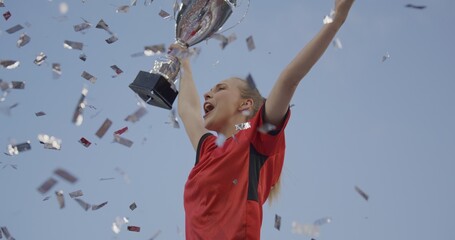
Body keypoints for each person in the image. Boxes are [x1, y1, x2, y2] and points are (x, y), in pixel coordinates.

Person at [174, 0, 355, 239]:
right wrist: (182, 58)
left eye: (221, 88)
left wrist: (337, 19)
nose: (208, 93)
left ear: (245, 104)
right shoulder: (207, 150)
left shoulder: (256, 136)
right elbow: (187, 109)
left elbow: (289, 80)